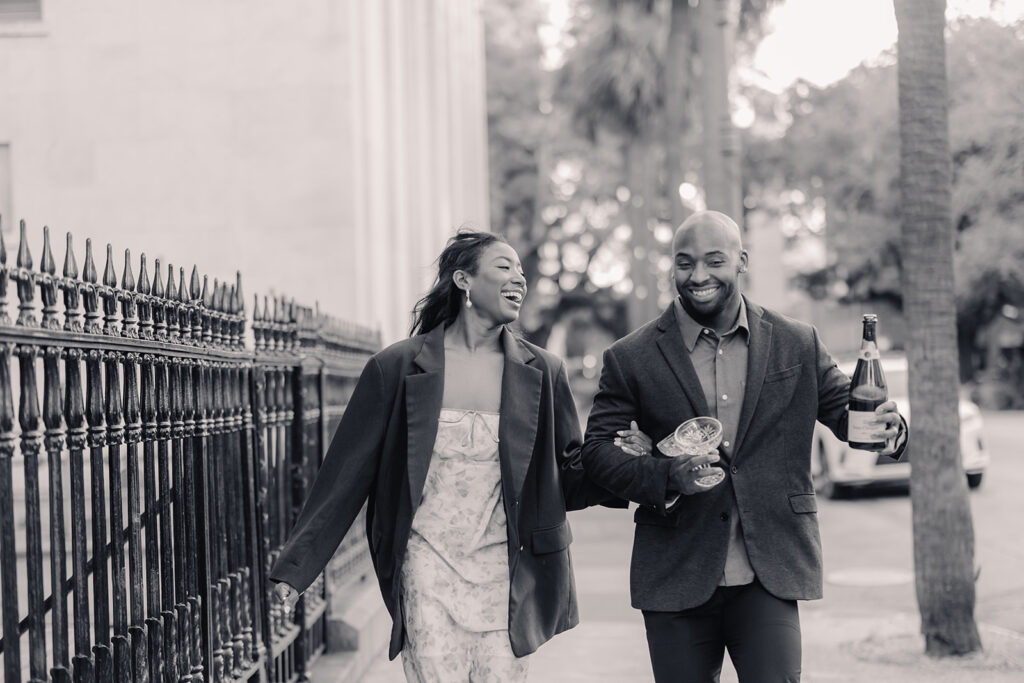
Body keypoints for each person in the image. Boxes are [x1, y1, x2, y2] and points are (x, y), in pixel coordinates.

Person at [268, 230, 648, 682]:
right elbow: (346, 475)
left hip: (508, 570)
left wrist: (621, 459)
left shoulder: (543, 371)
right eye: (505, 267)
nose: (519, 279)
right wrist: (297, 568)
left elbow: (568, 477)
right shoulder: (397, 368)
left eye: (522, 272)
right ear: (464, 279)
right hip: (426, 564)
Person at [582, 210, 908, 683]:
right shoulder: (630, 357)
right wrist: (667, 475)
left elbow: (846, 411)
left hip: (769, 569)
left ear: (741, 261)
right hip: (676, 572)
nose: (698, 276)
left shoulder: (797, 342)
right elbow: (597, 453)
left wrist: (891, 428)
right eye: (684, 263)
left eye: (714, 261)